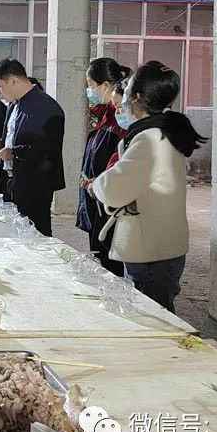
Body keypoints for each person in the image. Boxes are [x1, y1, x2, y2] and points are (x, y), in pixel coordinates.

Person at [90, 62, 206, 312]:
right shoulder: (163, 129)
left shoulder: (150, 139)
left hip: (151, 251)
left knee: (152, 316)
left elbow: (113, 189)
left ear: (136, 97)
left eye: (128, 88)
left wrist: (96, 185)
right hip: (161, 245)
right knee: (157, 313)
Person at [0, 59, 65, 237]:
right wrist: (0, 144)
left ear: (13, 80)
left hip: (35, 184)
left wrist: (13, 152)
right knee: (12, 231)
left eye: (1, 85)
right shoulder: (14, 104)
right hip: (13, 179)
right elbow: (15, 136)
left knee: (35, 232)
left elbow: (48, 149)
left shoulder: (47, 107)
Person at [77, 58, 132, 277]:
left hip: (108, 202)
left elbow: (120, 163)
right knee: (101, 255)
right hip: (97, 196)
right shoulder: (105, 115)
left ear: (106, 86)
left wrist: (99, 183)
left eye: (91, 85)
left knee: (110, 264)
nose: (89, 91)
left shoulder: (120, 119)